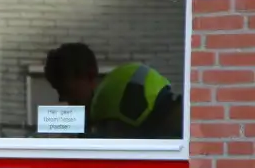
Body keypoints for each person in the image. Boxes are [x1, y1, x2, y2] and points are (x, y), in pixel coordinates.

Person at [43, 43, 182, 139]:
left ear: (89, 76)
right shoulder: (83, 122)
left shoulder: (125, 107)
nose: (62, 98)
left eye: (66, 90)